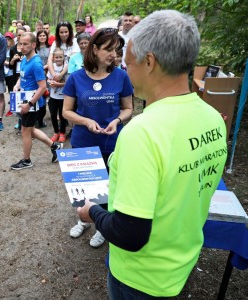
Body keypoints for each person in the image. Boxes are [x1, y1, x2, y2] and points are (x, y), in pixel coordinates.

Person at [77, 10, 228, 298]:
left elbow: (129, 234)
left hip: (139, 277)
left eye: (128, 63)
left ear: (149, 62)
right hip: (180, 264)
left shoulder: (142, 133)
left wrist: (91, 212)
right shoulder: (213, 119)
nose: (125, 71)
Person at [63, 28, 133, 247]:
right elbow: (67, 111)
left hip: (112, 142)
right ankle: (83, 220)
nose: (113, 54)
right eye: (108, 49)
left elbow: (128, 108)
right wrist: (85, 121)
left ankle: (103, 226)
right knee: (85, 188)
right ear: (94, 49)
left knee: (108, 189)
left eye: (116, 49)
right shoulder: (76, 77)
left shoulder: (121, 76)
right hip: (83, 141)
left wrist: (117, 121)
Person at [11, 32, 61, 170]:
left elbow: (43, 87)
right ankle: (54, 146)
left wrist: (30, 104)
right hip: (24, 100)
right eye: (20, 43)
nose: (22, 47)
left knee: (26, 131)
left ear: (33, 45)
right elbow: (22, 76)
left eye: (25, 44)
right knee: (30, 130)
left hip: (32, 103)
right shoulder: (24, 59)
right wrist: (16, 85)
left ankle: (27, 160)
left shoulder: (37, 63)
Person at [47, 21, 79, 87]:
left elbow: (71, 61)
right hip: (56, 74)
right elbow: (50, 59)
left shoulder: (75, 42)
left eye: (66, 32)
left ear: (69, 32)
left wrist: (61, 75)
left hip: (70, 74)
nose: (64, 34)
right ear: (58, 33)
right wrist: (54, 75)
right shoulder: (55, 43)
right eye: (61, 32)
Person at [47, 48, 68, 143]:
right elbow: (48, 79)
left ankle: (62, 132)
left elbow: (68, 82)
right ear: (53, 58)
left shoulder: (66, 67)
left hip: (63, 97)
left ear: (64, 57)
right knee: (53, 115)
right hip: (53, 97)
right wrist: (50, 82)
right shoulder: (52, 67)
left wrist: (58, 84)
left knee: (62, 116)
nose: (58, 59)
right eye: (57, 57)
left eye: (60, 57)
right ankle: (56, 132)